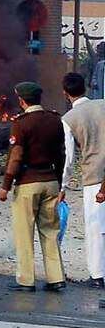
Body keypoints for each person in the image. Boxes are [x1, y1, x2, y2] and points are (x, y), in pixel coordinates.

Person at [0, 82, 66, 292]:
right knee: (50, 231)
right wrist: (59, 181)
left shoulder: (21, 123)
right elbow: (61, 154)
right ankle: (56, 278)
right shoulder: (55, 119)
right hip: (51, 182)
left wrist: (5, 186)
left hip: (28, 184)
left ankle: (26, 280)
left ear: (22, 100)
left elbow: (16, 157)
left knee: (24, 233)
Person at [60, 72, 105, 289]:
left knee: (95, 227)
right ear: (86, 86)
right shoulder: (103, 104)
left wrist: (63, 185)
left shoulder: (69, 119)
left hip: (94, 178)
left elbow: (69, 158)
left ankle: (97, 276)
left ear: (65, 93)